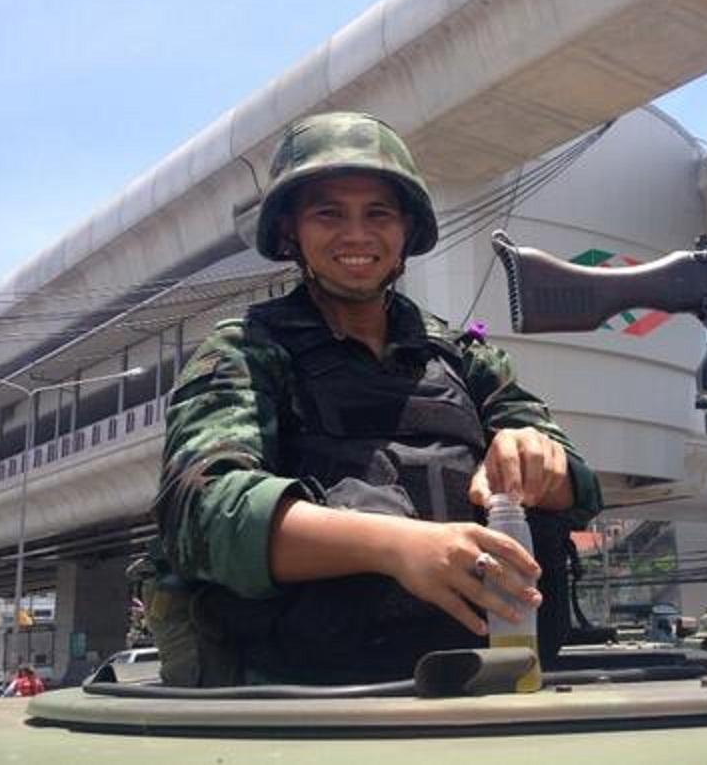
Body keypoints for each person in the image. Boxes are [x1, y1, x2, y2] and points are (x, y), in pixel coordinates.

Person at [151, 112, 602, 686]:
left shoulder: (464, 358)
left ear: (406, 230)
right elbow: (203, 513)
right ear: (291, 231)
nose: (357, 235)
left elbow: (581, 491)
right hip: (303, 702)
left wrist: (534, 455)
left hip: (490, 683)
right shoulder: (248, 349)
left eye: (378, 213)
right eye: (328, 213)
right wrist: (397, 547)